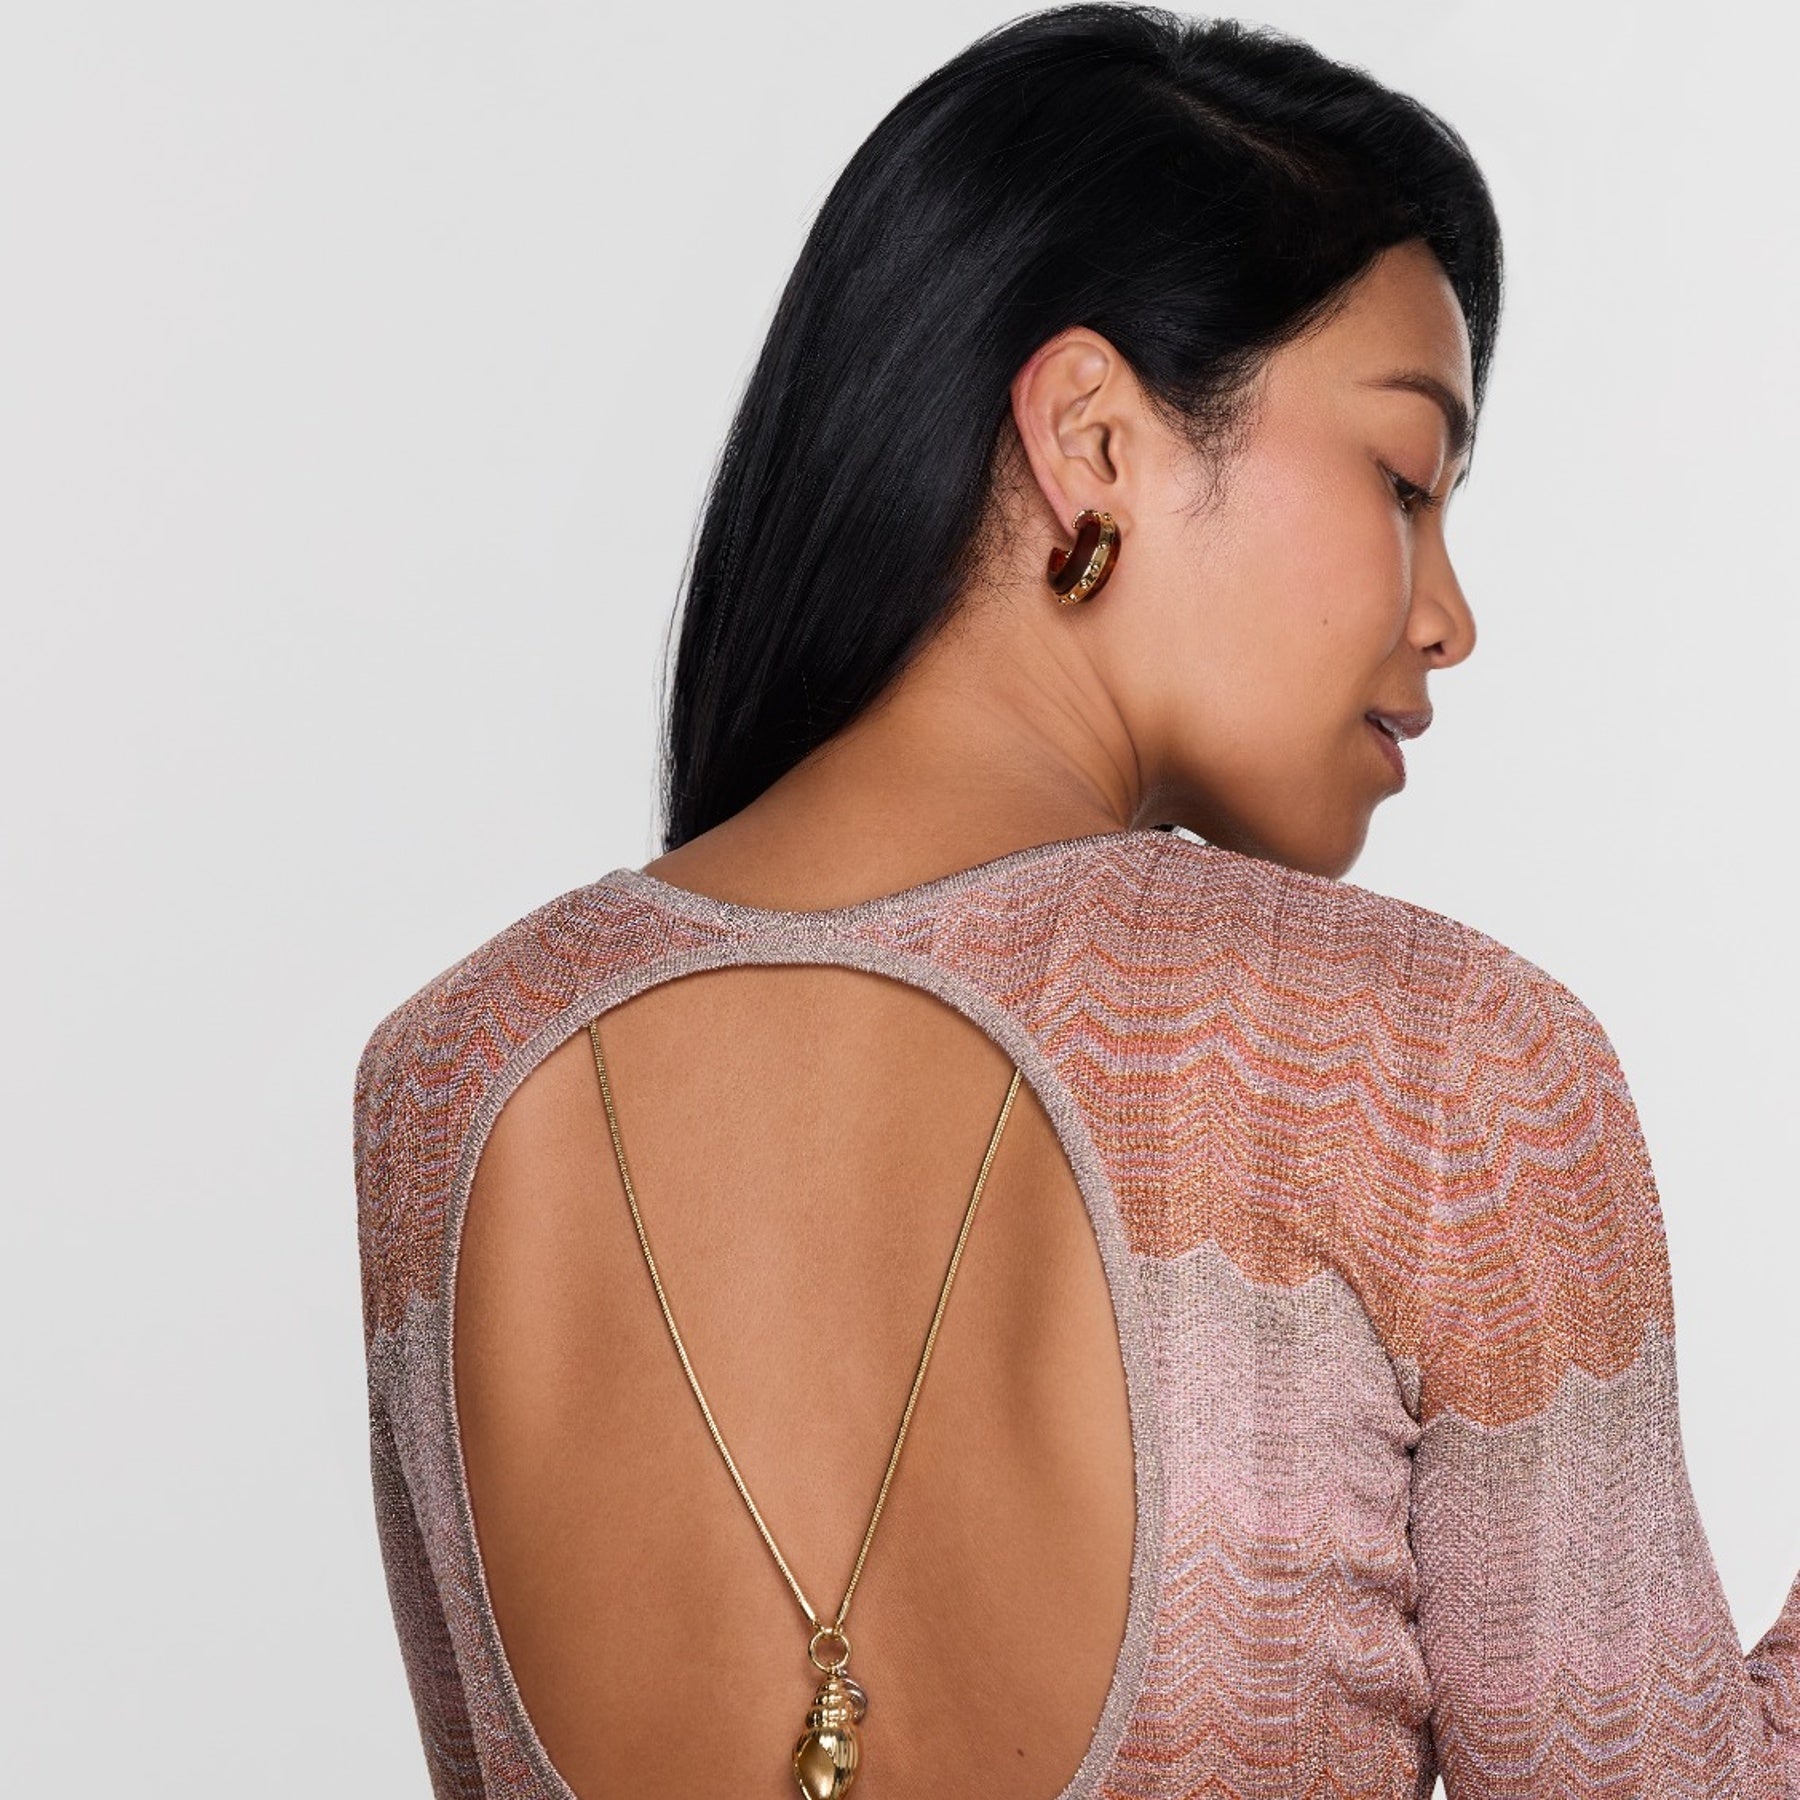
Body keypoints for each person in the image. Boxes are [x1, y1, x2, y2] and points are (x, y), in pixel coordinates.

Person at [351, 6, 1800, 1796]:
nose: (1450, 614)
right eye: (1407, 481)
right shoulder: (1430, 1077)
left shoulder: (448, 1089)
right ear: (1094, 440)